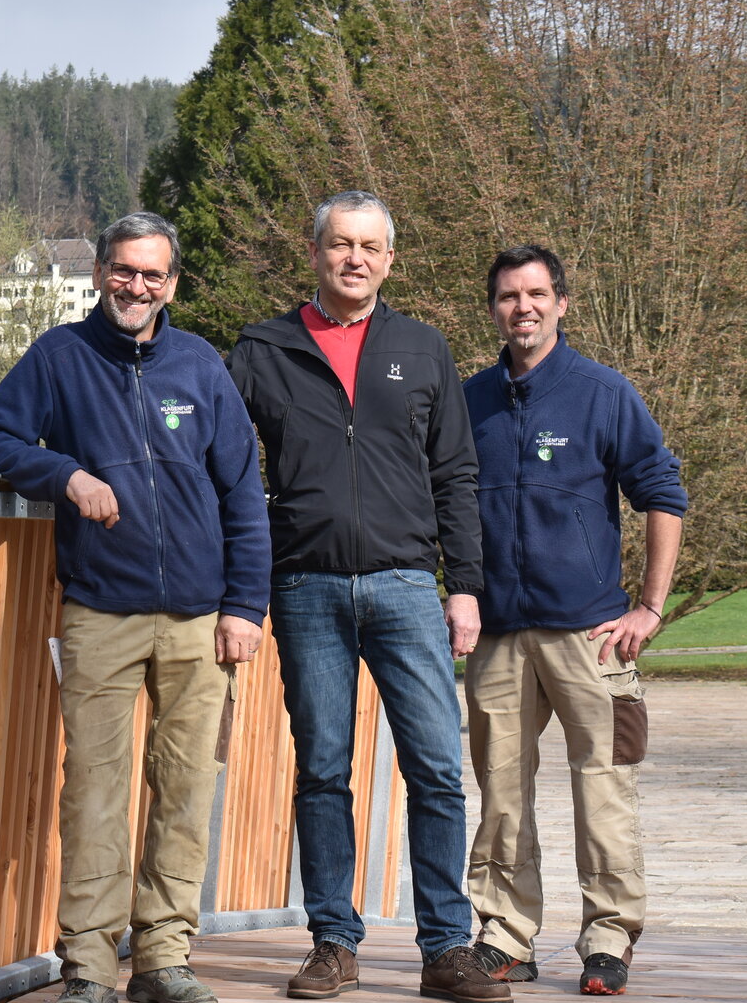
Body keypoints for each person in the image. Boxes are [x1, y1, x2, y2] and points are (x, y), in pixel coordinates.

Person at [0, 212, 271, 1003]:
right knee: (93, 790)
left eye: (153, 275)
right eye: (125, 271)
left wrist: (245, 606)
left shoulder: (201, 366)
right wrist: (63, 474)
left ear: (173, 283)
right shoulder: (59, 358)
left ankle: (164, 957)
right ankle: (90, 968)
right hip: (100, 610)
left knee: (187, 785)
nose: (138, 287)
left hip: (201, 616)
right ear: (101, 272)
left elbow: (242, 493)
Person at [228, 191, 507, 1003]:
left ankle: (446, 949)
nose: (355, 259)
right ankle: (332, 944)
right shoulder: (261, 349)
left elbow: (455, 473)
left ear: (389, 259)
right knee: (320, 771)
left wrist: (464, 587)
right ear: (313, 252)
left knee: (436, 770)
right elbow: (217, 463)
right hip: (305, 586)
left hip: (404, 586)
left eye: (370, 247)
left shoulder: (421, 349)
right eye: (340, 244)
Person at [461, 245, 687, 997]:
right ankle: (504, 934)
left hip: (591, 637)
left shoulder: (602, 393)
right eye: (506, 296)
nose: (521, 307)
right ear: (491, 308)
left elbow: (661, 493)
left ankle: (608, 938)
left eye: (534, 294)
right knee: (499, 794)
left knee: (604, 788)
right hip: (496, 638)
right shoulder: (469, 403)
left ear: (560, 302)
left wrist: (648, 607)